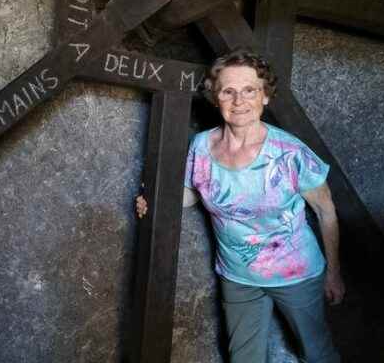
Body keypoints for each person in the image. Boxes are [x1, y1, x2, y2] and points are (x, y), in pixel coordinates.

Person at [135, 49, 344, 363]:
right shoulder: (201, 146)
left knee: (317, 353)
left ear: (265, 97)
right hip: (237, 275)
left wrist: (334, 273)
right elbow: (191, 194)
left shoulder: (290, 153)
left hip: (296, 273)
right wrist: (155, 199)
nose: (239, 101)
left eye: (250, 90)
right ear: (215, 97)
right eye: (228, 91)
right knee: (243, 358)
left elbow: (326, 211)